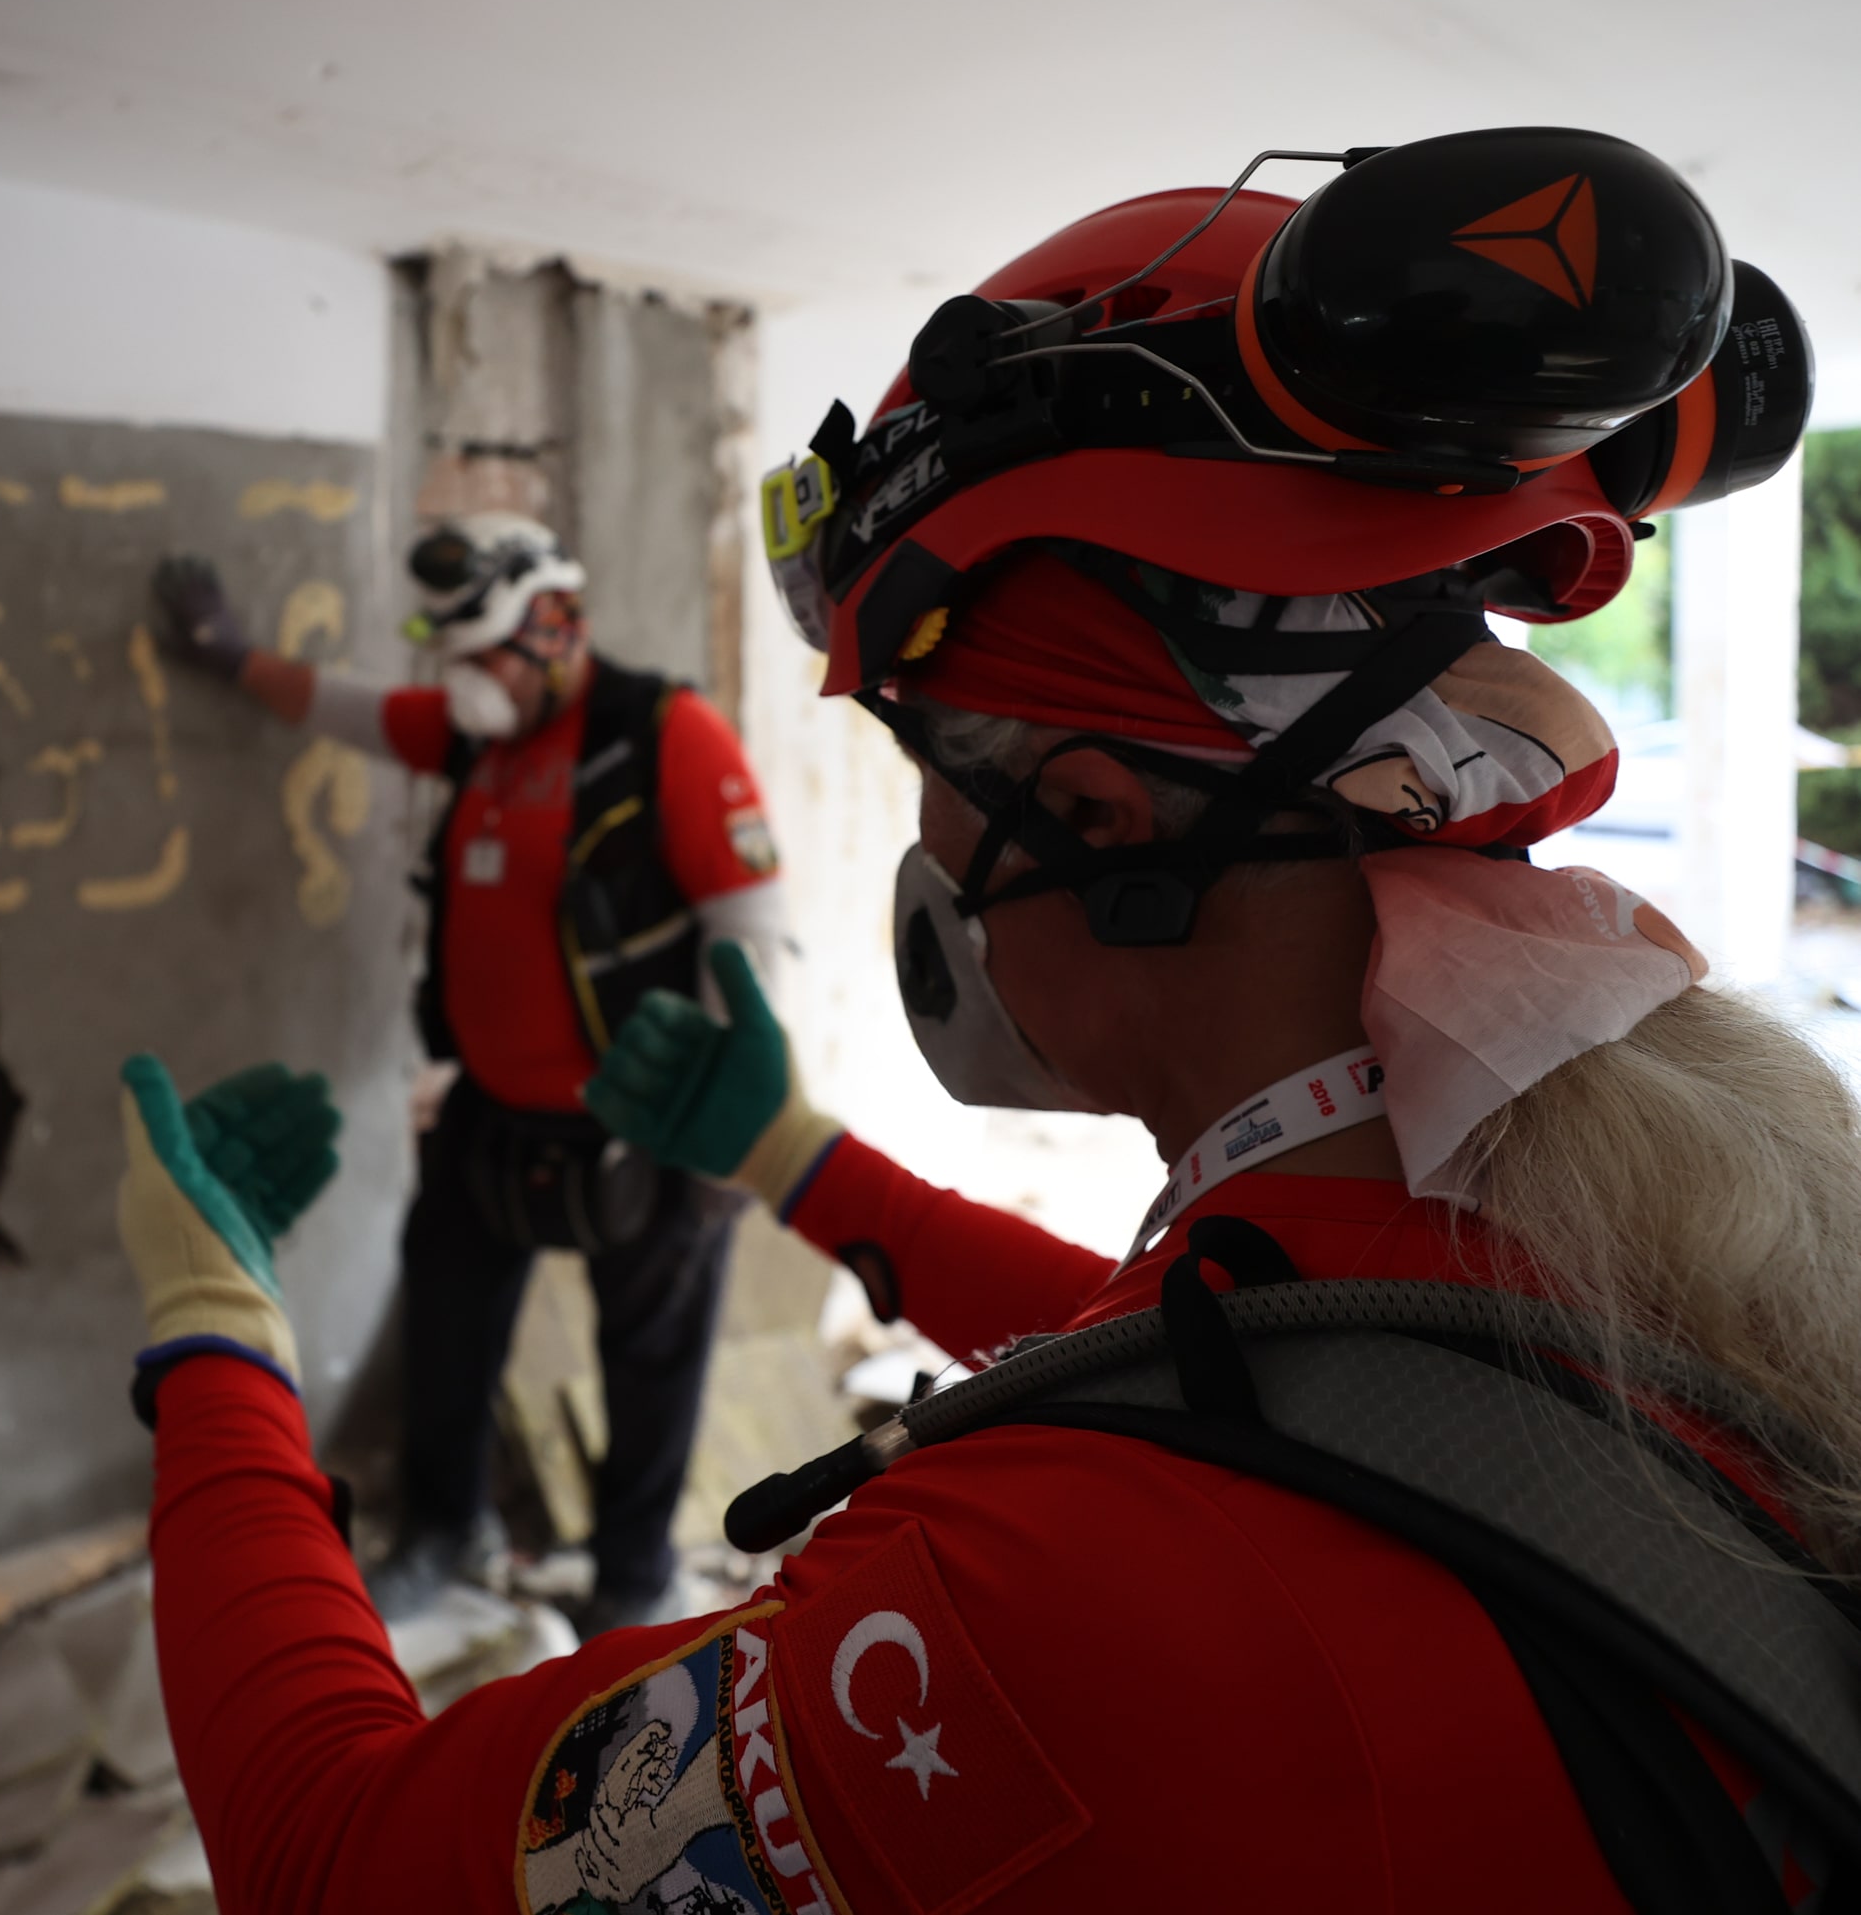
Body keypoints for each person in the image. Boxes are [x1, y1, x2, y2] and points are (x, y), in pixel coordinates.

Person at [110, 130, 1861, 1911]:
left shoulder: (1038, 1607)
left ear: (1095, 820)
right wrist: (801, 1163)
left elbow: (328, 1859)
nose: (931, 851)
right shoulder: (1649, 1225)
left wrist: (210, 1332)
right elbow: (1261, 1355)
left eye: (931, 776)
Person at [151, 517, 795, 1630]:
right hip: (490, 1112)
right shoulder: (479, 740)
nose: (468, 683)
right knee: (446, 1331)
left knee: (652, 1359)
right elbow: (351, 709)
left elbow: (753, 930)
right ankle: (445, 1530)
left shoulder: (663, 735)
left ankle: (631, 1579)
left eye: (487, 655)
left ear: (556, 627)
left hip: (644, 1122)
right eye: (453, 658)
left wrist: (731, 1126)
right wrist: (234, 656)